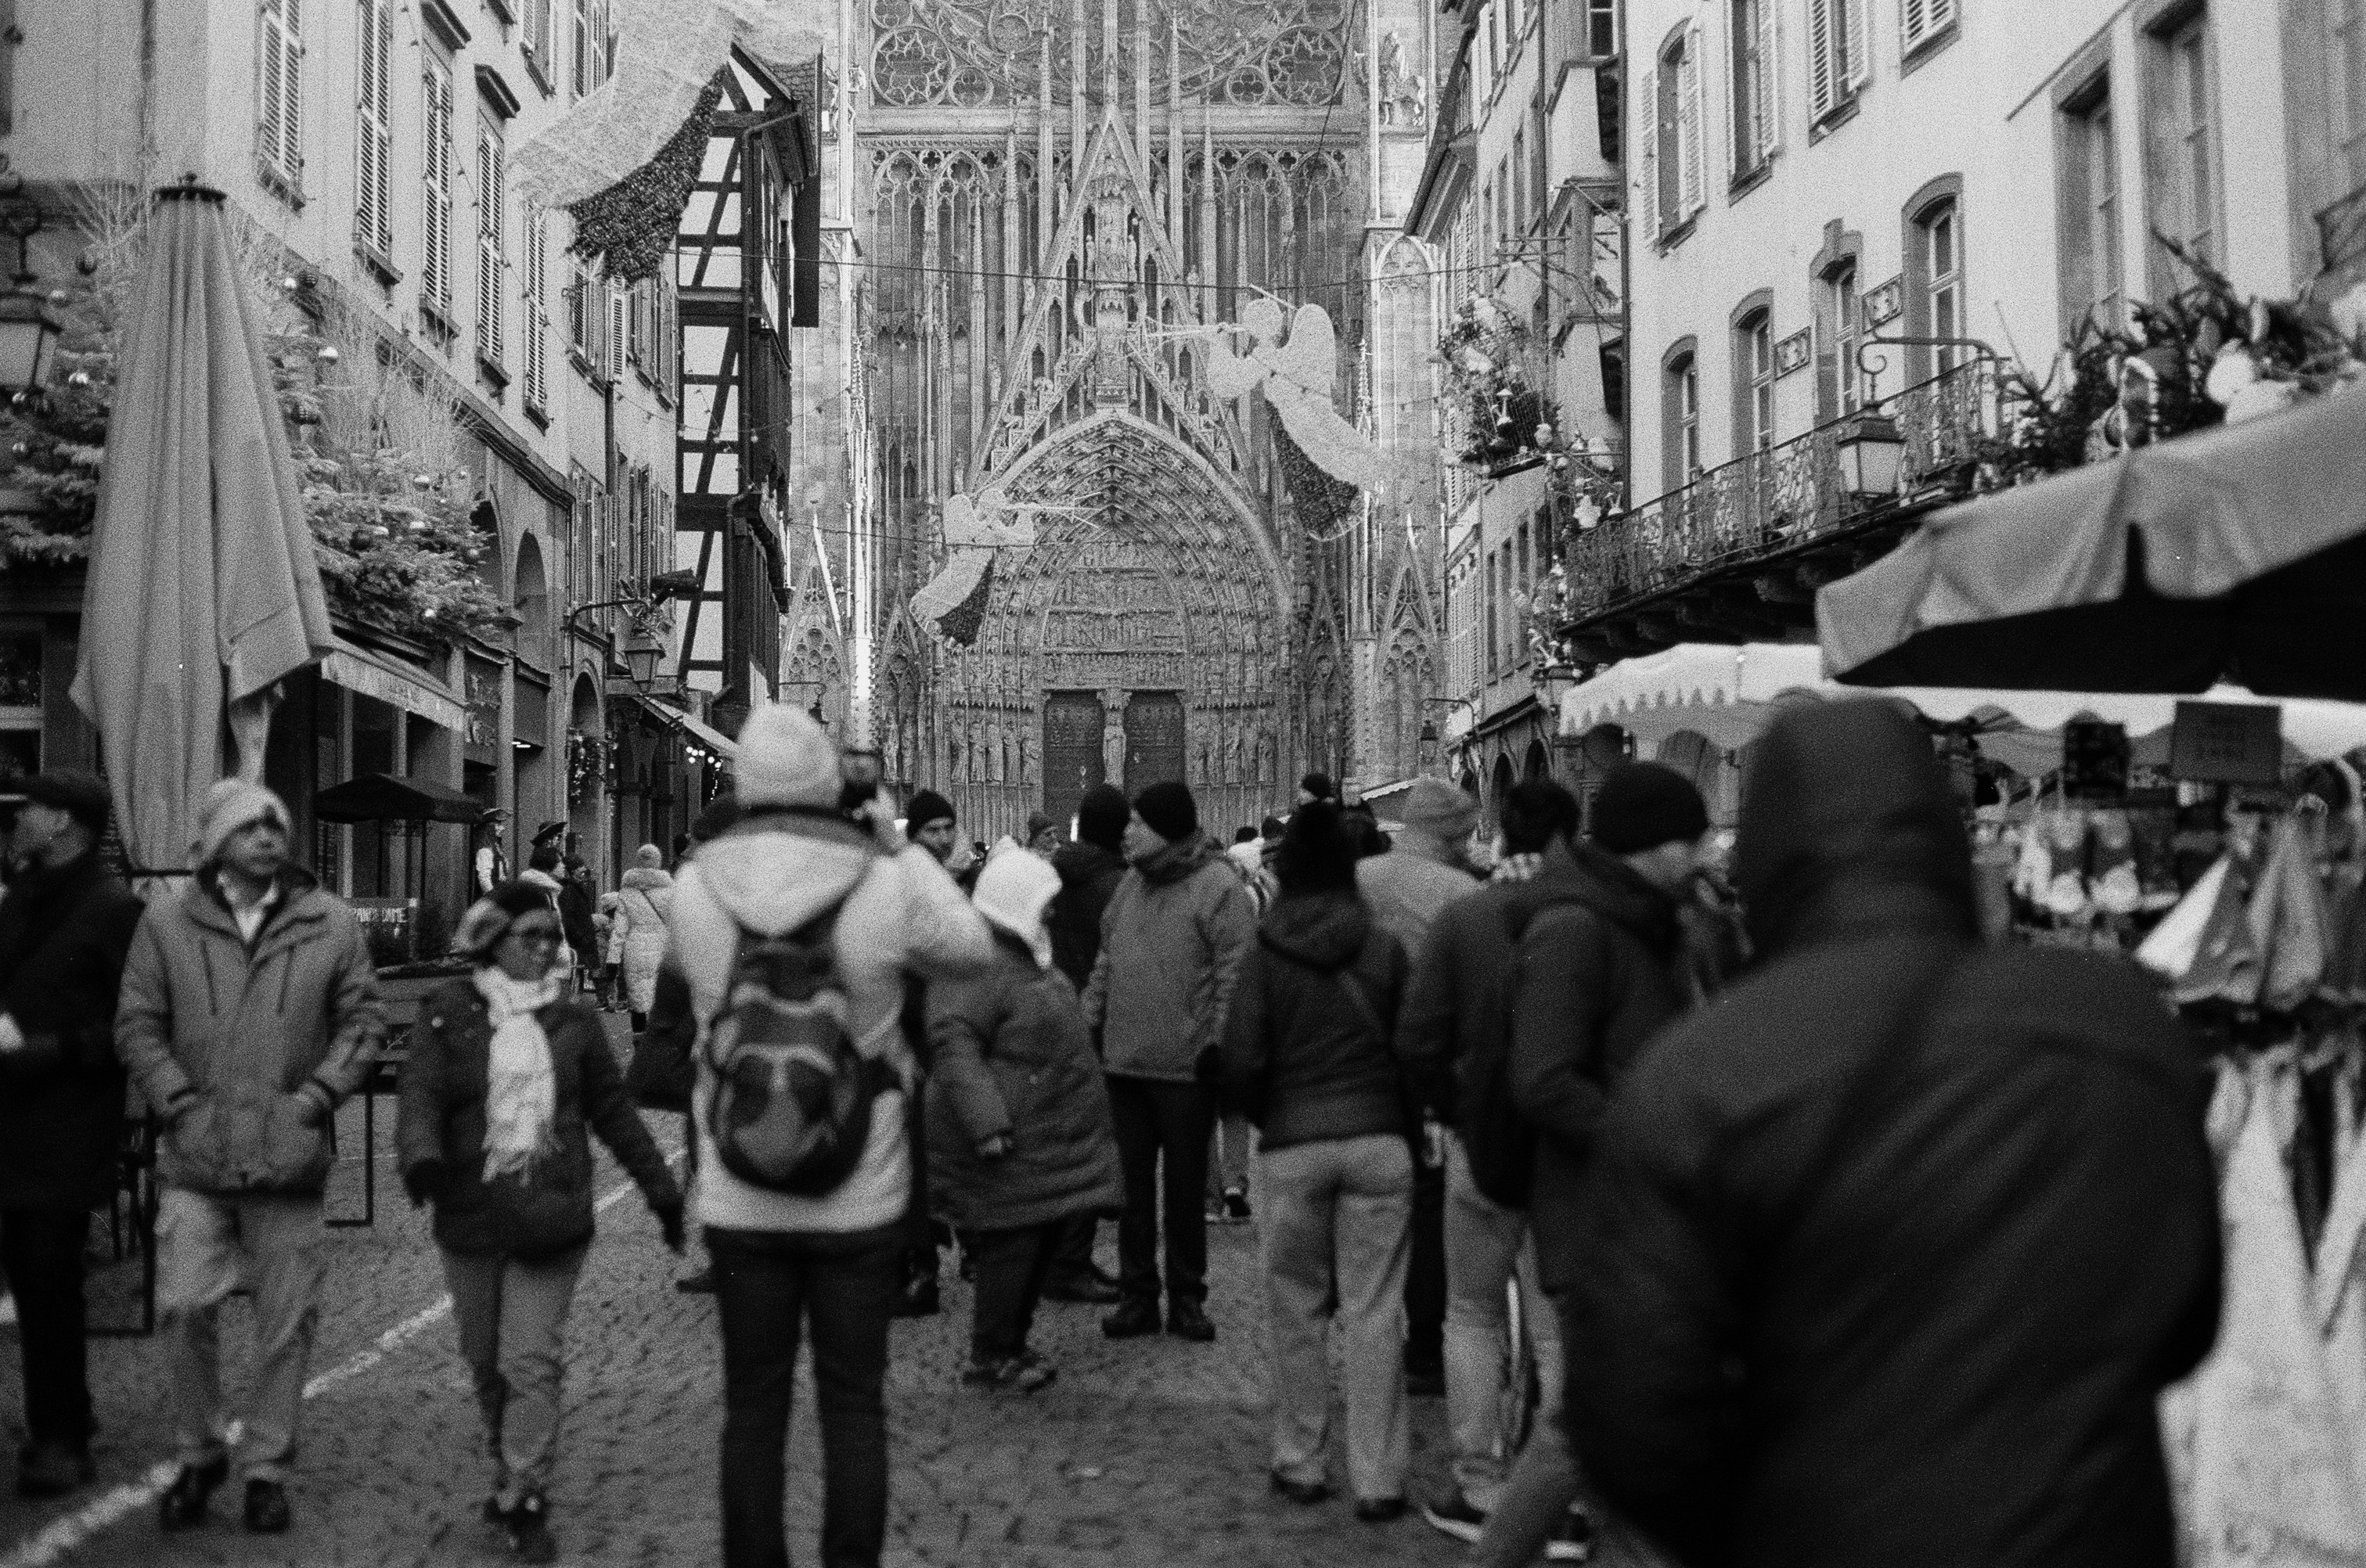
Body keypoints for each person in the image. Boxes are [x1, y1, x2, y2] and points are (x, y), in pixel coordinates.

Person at [1565, 701, 2221, 1568]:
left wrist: (1762, 1527)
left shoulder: (1702, 1072)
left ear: (1765, 856)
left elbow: (1633, 1405)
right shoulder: (2120, 1026)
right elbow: (2186, 1319)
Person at [672, 705, 990, 1568]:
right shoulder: (881, 882)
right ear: (830, 783)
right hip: (859, 1189)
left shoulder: (695, 887)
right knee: (853, 1405)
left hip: (741, 1189)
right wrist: (896, 845)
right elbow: (971, 949)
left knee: (752, 1406)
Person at [115, 781, 384, 1536]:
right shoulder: (167, 923)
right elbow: (138, 1024)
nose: (267, 838)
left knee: (286, 1320)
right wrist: (178, 1103)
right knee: (183, 1306)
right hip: (196, 1154)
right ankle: (199, 1451)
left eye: (276, 825)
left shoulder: (328, 922)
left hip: (287, 1157)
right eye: (249, 827)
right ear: (214, 842)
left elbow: (362, 1021)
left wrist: (315, 1099)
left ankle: (267, 1466)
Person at [396, 882, 685, 1563]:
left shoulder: (573, 1021)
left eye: (551, 937)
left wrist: (661, 1190)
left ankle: (525, 1487)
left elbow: (613, 1113)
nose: (546, 949)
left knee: (530, 1358)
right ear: (493, 941)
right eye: (530, 936)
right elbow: (421, 1095)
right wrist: (421, 1158)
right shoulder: (448, 1012)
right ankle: (507, 1465)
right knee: (484, 1359)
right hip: (470, 1211)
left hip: (551, 1214)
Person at [1471, 762, 1716, 1568]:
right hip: (1594, 1218)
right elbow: (1543, 1080)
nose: (1707, 852)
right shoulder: (1576, 929)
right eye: (1691, 838)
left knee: (1609, 1426)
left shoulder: (1653, 922)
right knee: (1595, 1424)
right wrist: (1655, 1136)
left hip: (1643, 1216)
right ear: (1651, 845)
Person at [1212, 803, 1414, 1520]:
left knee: (1295, 1307)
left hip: (1294, 1144)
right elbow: (1414, 1049)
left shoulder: (1267, 950)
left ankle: (1301, 1460)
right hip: (1378, 1142)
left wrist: (1276, 1120)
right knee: (1375, 1309)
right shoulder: (1384, 947)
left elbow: (1240, 1059)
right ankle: (1379, 1478)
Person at [1395, 779, 1583, 1545]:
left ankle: (1479, 1485)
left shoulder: (1464, 915)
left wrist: (1453, 1110)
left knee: (1470, 1315)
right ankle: (1563, 1498)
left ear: (1501, 831)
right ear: (1568, 835)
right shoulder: (1594, 918)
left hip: (1483, 1144)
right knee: (1555, 1330)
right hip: (1566, 1152)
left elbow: (1417, 1038)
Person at [926, 850, 1123, 1391]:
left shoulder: (1025, 957)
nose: (1053, 911)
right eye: (1044, 902)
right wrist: (987, 1124)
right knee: (1012, 1250)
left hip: (1037, 1135)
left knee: (1032, 1246)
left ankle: (1010, 1344)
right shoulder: (976, 965)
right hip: (1008, 1141)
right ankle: (991, 1354)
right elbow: (953, 1046)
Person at [0, 772, 145, 1497]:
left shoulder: (113, 908)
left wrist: (49, 1051)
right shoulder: (22, 895)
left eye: (26, 808)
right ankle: (62, 1415)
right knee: (27, 1276)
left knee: (49, 1273)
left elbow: (137, 1024)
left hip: (67, 1122)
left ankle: (61, 1437)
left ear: (62, 822)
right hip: (9, 1119)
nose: (15, 819)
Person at [1080, 780, 1255, 1343]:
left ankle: (1186, 1297)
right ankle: (1137, 1295)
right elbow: (1107, 961)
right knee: (1131, 1194)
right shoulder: (1130, 886)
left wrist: (1218, 1045)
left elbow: (1234, 974)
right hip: (1125, 1065)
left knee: (1184, 1193)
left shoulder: (1218, 887)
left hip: (1186, 1068)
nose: (1126, 831)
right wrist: (1086, 1024)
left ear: (1167, 830)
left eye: (1138, 822)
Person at [1355, 778, 1484, 1402]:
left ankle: (1366, 1339)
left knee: (1366, 1201)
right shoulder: (1464, 895)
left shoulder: (1360, 879)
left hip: (1358, 1064)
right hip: (1430, 1067)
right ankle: (1424, 1344)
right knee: (1428, 1202)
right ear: (1454, 833)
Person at [1040, 782, 1133, 1304]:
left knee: (1057, 1143)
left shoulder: (1049, 875)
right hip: (1099, 1024)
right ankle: (1069, 1262)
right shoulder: (1120, 886)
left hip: (1053, 1015)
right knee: (1091, 1147)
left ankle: (1055, 1256)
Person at [614, 845, 674, 1030]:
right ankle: (657, 1038)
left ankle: (638, 1036)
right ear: (658, 862)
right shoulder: (670, 890)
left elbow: (619, 930)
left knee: (638, 996)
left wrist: (612, 958)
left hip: (635, 948)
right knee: (660, 994)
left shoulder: (627, 892)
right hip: (662, 947)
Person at [556, 856, 602, 999]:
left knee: (578, 976)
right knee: (575, 978)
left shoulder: (574, 889)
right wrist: (582, 937)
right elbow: (568, 919)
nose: (583, 875)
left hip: (581, 942)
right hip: (578, 943)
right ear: (571, 872)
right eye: (579, 871)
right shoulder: (570, 891)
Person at [475, 810, 511, 896]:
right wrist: (494, 899)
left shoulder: (496, 848)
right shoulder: (485, 850)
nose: (503, 828)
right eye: (498, 824)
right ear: (489, 827)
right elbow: (484, 880)